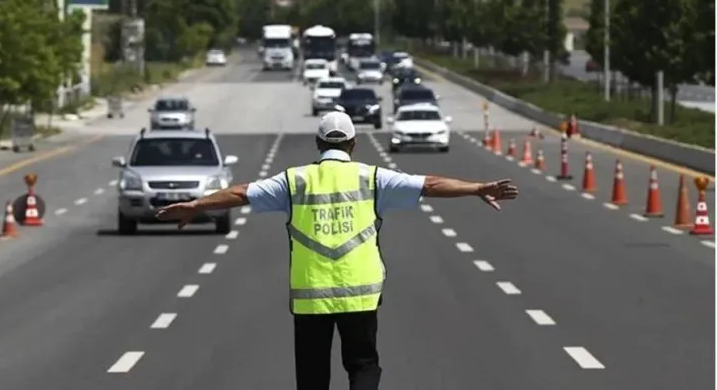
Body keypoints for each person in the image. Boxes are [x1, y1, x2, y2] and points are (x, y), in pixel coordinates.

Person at [155, 112, 519, 390]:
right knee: (363, 365)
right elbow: (430, 184)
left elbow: (240, 193)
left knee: (312, 375)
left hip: (311, 296)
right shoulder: (373, 178)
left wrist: (196, 205)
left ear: (317, 143)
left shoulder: (294, 181)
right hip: (360, 293)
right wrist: (476, 188)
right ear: (353, 143)